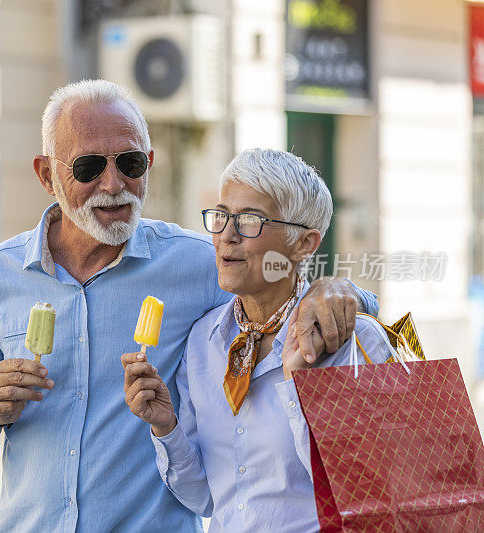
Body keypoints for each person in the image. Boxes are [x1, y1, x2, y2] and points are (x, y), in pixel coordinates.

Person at [0, 80, 378, 531]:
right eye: (87, 167)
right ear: (47, 176)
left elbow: (288, 286)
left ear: (150, 163)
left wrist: (342, 291)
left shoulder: (201, 262)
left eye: (131, 162)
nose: (114, 183)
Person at [123, 148, 395, 531]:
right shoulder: (203, 342)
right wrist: (166, 426)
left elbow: (365, 495)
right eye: (221, 216)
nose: (226, 236)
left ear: (304, 244)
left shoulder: (352, 341)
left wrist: (297, 385)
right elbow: (205, 497)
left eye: (250, 220)